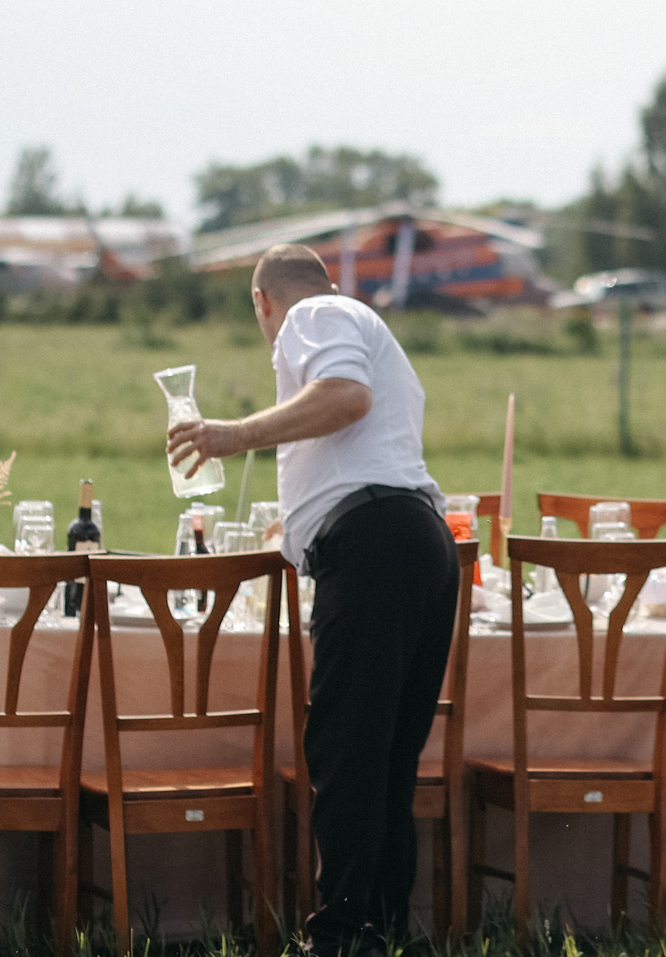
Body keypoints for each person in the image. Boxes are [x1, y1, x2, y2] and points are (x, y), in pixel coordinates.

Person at [167, 243, 459, 951]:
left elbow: (346, 396)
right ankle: (383, 929)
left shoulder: (313, 316)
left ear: (262, 302)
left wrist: (235, 433)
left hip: (374, 545)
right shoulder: (363, 324)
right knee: (387, 757)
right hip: (419, 542)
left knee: (347, 751)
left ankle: (339, 936)